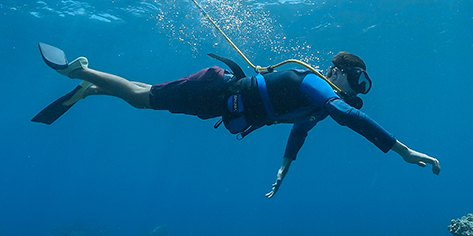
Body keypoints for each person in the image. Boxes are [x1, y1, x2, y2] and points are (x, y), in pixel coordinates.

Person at [33, 44, 440, 197]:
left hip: (219, 103)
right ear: (338, 73)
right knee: (142, 97)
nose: (360, 88)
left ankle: (93, 89)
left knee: (146, 93)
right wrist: (402, 151)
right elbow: (347, 116)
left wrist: (282, 171)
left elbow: (299, 131)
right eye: (359, 80)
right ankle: (77, 72)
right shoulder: (317, 87)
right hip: (218, 90)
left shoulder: (316, 105)